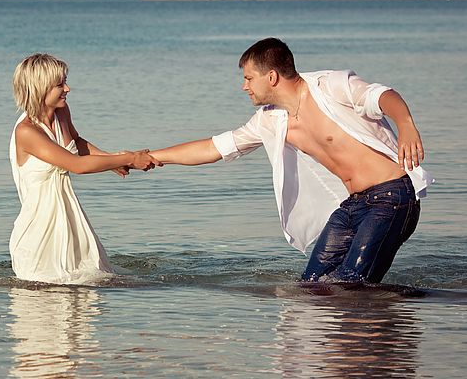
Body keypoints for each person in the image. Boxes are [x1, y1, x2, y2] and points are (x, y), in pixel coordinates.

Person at [149, 38, 434, 283]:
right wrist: (150, 157)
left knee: (352, 285)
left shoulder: (330, 86)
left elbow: (383, 95)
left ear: (271, 77)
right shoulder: (270, 120)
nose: (244, 87)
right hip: (353, 205)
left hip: (392, 196)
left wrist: (406, 124)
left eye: (248, 78)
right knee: (311, 286)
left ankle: (392, 325)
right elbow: (214, 148)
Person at [9, 53, 158, 284]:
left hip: (70, 219)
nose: (67, 88)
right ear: (40, 87)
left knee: (84, 306)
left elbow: (77, 143)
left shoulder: (61, 112)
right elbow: (76, 165)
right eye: (60, 84)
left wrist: (111, 159)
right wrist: (125, 158)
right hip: (40, 230)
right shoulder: (27, 132)